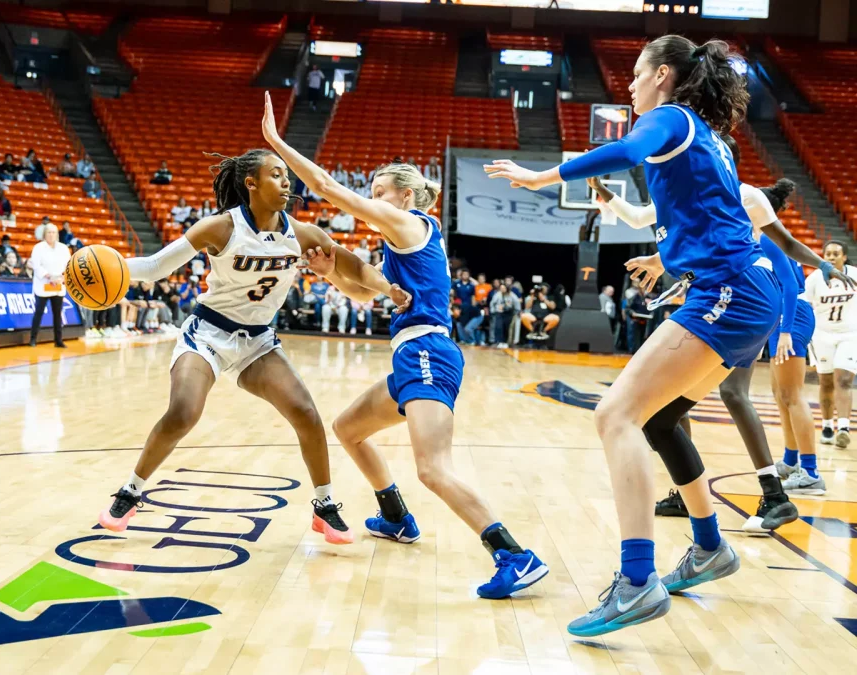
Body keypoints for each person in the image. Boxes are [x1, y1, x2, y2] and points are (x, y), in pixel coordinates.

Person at [485, 36, 855, 636]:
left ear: (661, 75)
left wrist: (544, 174)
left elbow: (628, 149)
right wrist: (669, 261)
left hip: (728, 294)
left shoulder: (668, 118)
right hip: (745, 290)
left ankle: (636, 581)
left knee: (615, 416)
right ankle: (709, 546)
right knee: (658, 420)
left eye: (634, 75)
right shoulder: (710, 135)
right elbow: (709, 218)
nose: (627, 87)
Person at [263, 92, 548, 599]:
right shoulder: (403, 242)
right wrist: (333, 277)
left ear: (406, 198)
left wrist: (277, 143)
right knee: (349, 428)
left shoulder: (409, 225)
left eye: (379, 191)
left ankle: (514, 555)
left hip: (428, 353)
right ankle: (395, 516)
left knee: (432, 467)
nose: (372, 198)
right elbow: (363, 291)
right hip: (410, 356)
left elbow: (326, 186)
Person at [98, 147, 409, 546]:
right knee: (182, 413)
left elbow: (355, 268)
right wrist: (111, 268)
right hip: (207, 333)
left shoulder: (302, 234)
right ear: (251, 184)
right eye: (277, 175)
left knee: (306, 412)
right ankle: (131, 491)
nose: (287, 182)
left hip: (257, 341)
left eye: (286, 175)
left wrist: (387, 288)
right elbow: (157, 267)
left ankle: (324, 505)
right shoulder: (220, 228)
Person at [593, 170, 815, 527]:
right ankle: (725, 497)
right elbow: (666, 232)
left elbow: (788, 279)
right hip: (741, 305)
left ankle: (786, 481)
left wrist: (786, 329)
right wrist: (659, 259)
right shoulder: (700, 201)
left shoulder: (744, 209)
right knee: (669, 412)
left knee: (740, 396)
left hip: (750, 305)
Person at [797, 240, 857, 490]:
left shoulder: (854, 275)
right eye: (827, 254)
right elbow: (804, 304)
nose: (831, 257)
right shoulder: (814, 279)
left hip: (849, 334)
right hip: (822, 335)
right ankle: (828, 426)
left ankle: (843, 426)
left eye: (836, 254)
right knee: (826, 381)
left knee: (844, 379)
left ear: (844, 257)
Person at [27, 224, 70, 348]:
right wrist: (49, 276)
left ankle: (58, 340)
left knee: (58, 313)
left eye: (53, 232)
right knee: (39, 312)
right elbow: (36, 265)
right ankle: (33, 338)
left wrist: (61, 277)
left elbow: (68, 265)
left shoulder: (63, 248)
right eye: (49, 232)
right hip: (43, 284)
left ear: (57, 234)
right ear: (44, 234)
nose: (51, 235)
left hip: (58, 284)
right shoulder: (38, 248)